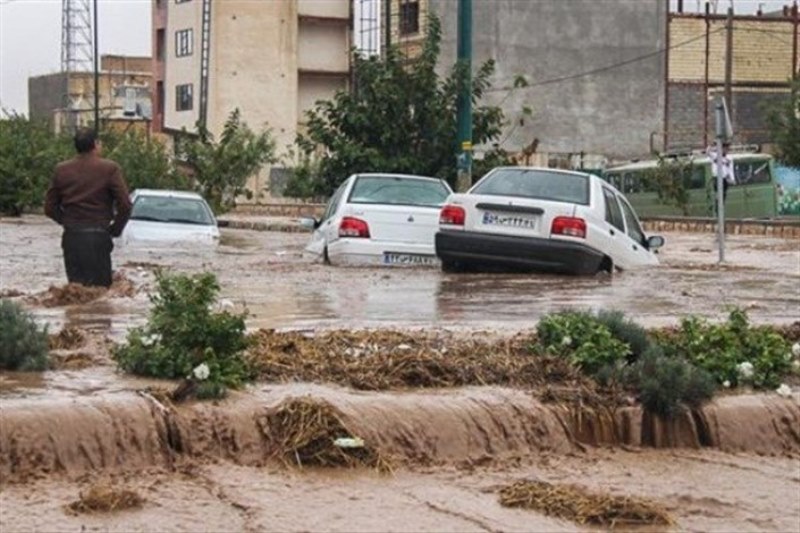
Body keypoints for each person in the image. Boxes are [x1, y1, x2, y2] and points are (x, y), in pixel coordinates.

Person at [44, 128, 132, 287]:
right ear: (96, 144)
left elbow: (49, 208)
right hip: (98, 236)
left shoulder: (61, 169)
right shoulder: (110, 168)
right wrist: (115, 229)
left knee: (75, 290)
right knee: (100, 294)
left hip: (72, 237)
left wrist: (67, 222)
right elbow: (125, 205)